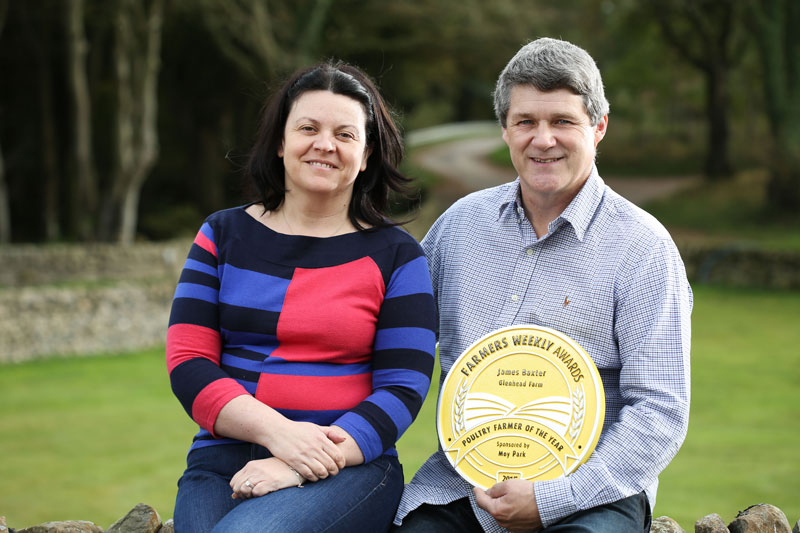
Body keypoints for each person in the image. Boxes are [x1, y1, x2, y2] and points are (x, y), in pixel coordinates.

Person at [393, 37, 692, 532]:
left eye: (563, 122)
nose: (543, 139)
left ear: (598, 128)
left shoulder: (644, 248)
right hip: (466, 483)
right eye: (526, 122)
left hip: (594, 489)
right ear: (505, 131)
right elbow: (392, 343)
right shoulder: (458, 228)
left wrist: (556, 497)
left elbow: (660, 410)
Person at [166, 60, 437, 532]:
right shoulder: (221, 234)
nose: (325, 145)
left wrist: (297, 461)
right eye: (308, 128)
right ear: (280, 141)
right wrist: (281, 435)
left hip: (350, 466)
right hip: (222, 459)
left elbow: (403, 387)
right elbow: (189, 361)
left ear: (368, 153)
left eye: (345, 134)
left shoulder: (398, 256)